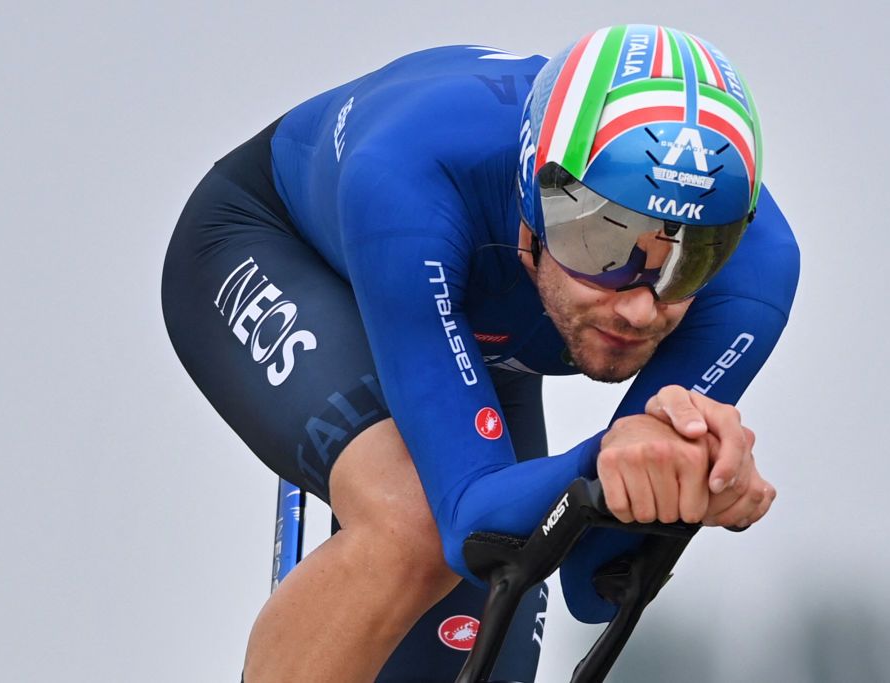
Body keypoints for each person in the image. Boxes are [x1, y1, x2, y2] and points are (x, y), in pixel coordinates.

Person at [161, 24, 799, 683]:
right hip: (285, 244)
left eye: (687, 265)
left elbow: (591, 577)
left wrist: (691, 477)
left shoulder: (755, 273)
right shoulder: (412, 171)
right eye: (602, 245)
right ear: (529, 206)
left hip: (476, 324)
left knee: (493, 608)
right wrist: (613, 454)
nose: (640, 307)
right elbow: (469, 514)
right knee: (410, 523)